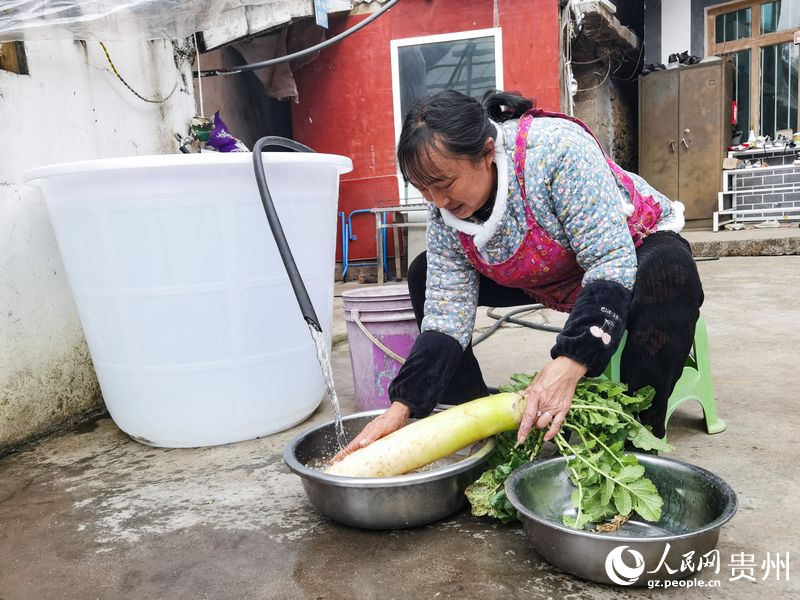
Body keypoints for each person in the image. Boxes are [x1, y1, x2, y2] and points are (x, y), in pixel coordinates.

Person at [335, 89, 703, 460]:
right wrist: (403, 405)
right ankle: (473, 425)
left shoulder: (557, 151)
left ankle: (634, 439)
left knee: (670, 270)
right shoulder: (443, 210)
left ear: (485, 153)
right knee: (423, 271)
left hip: (624, 250)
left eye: (444, 184)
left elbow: (609, 261)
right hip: (539, 273)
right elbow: (446, 320)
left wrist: (571, 362)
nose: (438, 201)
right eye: (424, 189)